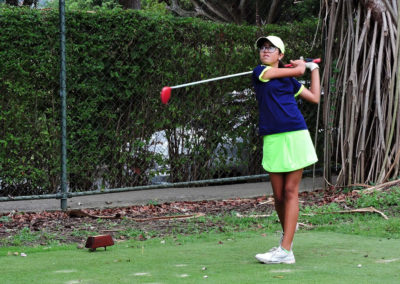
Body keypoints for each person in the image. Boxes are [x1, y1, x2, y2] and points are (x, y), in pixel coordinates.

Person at [252, 35, 320, 264]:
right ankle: (285, 243)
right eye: (263, 47)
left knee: (291, 192)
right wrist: (300, 68)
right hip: (272, 138)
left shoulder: (289, 80)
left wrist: (313, 68)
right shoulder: (260, 72)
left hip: (295, 135)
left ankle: (285, 249)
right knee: (278, 196)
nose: (266, 50)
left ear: (280, 55)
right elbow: (288, 72)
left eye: (271, 48)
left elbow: (314, 97)